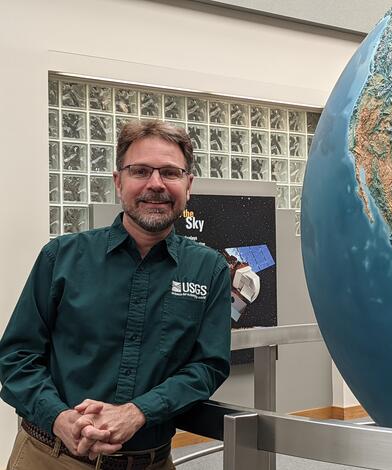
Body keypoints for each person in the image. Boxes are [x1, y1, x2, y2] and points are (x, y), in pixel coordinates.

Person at [0, 119, 231, 470]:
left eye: (170, 172)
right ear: (118, 181)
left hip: (150, 462)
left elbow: (207, 367)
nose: (156, 184)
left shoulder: (209, 270)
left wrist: (138, 412)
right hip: (51, 457)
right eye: (140, 171)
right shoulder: (60, 257)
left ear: (188, 184)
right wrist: (60, 417)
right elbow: (16, 357)